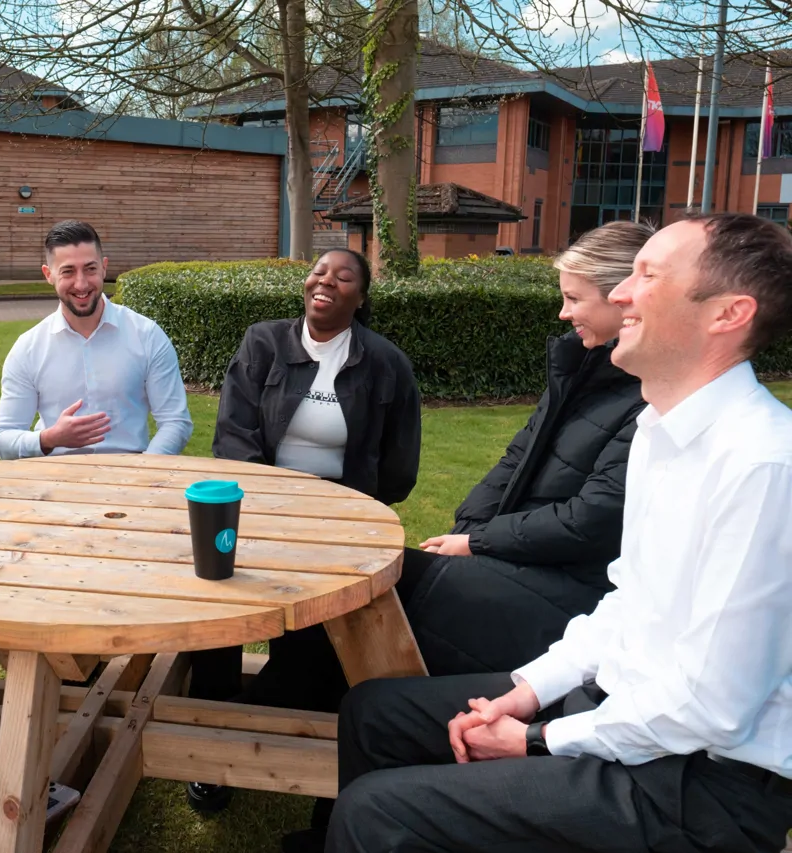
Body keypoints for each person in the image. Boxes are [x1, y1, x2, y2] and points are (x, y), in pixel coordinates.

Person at [293, 213, 792, 853]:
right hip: (621, 712)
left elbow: (712, 709)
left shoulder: (761, 468)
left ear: (728, 313)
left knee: (375, 813)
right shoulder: (662, 434)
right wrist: (528, 692)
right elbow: (629, 603)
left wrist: (537, 739)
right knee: (374, 713)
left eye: (648, 275)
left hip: (698, 786)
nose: (620, 294)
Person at [187, 247, 422, 813]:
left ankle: (242, 726)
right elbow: (234, 437)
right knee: (217, 616)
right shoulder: (263, 343)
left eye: (344, 277)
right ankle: (209, 740)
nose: (327, 281)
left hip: (338, 521)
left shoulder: (385, 364)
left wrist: (347, 512)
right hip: (256, 510)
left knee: (311, 635)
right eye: (319, 271)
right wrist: (274, 507)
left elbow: (398, 465)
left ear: (360, 298)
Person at [400, 220, 653, 677]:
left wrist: (477, 542)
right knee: (372, 582)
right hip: (524, 564)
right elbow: (515, 459)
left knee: (383, 588)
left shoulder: (650, 398)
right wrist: (470, 530)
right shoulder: (581, 371)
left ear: (625, 297)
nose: (562, 313)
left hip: (574, 598)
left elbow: (593, 520)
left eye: (575, 299)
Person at [0, 220, 193, 459]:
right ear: (49, 275)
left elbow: (175, 422)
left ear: (104, 268)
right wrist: (48, 439)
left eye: (90, 269)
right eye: (68, 271)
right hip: (54, 479)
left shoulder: (146, 335)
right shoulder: (28, 348)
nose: (81, 283)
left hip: (133, 475)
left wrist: (143, 471)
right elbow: (4, 438)